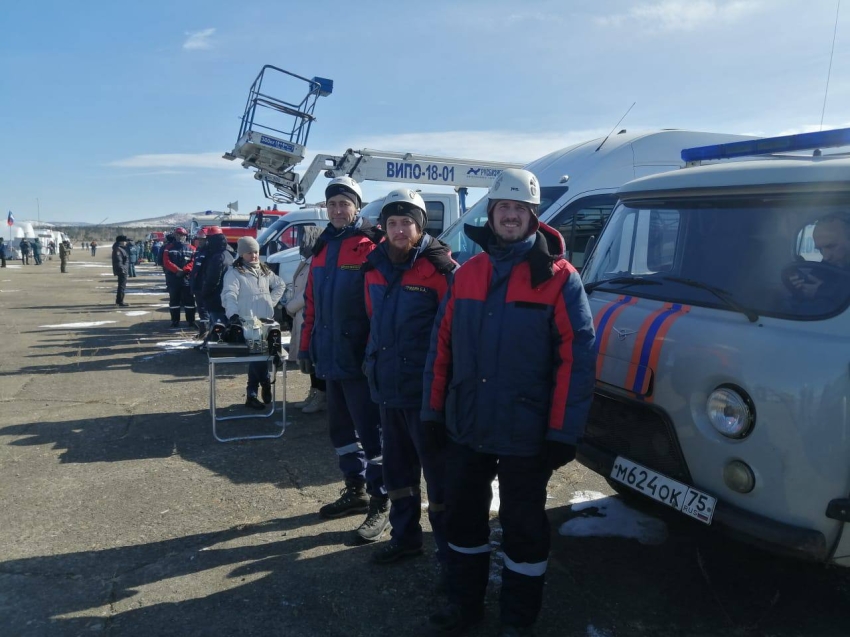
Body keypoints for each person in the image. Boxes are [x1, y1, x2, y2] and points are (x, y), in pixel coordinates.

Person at [422, 168, 597, 636]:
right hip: (468, 425)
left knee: (524, 529)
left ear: (534, 217)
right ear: (492, 214)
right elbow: (442, 348)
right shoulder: (468, 274)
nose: (511, 216)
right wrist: (432, 411)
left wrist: (563, 432)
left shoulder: (560, 279)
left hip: (528, 432)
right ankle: (465, 605)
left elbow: (576, 361)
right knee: (463, 520)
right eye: (504, 208)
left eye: (520, 209)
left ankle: (518, 619)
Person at [363, 188, 457, 566]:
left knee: (438, 477)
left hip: (426, 393)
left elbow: (454, 331)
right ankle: (405, 538)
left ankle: (449, 548)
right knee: (397, 473)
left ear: (420, 226)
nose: (399, 230)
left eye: (407, 223)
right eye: (392, 224)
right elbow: (374, 322)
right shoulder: (374, 266)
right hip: (388, 390)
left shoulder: (440, 269)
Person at [298, 176, 388, 542]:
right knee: (339, 430)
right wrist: (306, 346)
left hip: (359, 358)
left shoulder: (370, 247)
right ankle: (356, 489)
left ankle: (382, 501)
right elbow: (311, 303)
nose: (338, 209)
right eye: (332, 203)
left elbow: (381, 307)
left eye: (344, 203)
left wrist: (375, 353)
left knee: (372, 432)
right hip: (329, 356)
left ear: (357, 207)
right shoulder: (322, 247)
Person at [221, 237, 285, 409]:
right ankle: (258, 388)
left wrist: (270, 302)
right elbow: (229, 295)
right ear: (242, 254)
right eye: (250, 252)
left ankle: (255, 391)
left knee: (263, 358)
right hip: (248, 323)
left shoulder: (264, 270)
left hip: (266, 322)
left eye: (256, 252)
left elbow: (280, 285)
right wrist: (233, 315)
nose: (254, 255)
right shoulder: (234, 273)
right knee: (257, 358)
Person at [285, 226, 326, 414]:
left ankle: (321, 395)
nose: (301, 245)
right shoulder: (308, 260)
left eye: (304, 240)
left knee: (315, 359)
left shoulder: (316, 261)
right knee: (308, 359)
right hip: (302, 315)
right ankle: (314, 392)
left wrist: (290, 306)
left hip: (309, 314)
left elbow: (308, 291)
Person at [200, 226, 234, 332]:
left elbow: (213, 279)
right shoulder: (228, 254)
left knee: (217, 326)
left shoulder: (217, 257)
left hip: (217, 298)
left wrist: (205, 293)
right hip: (226, 296)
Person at [163, 227, 196, 328]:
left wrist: (185, 270)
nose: (180, 237)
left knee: (189, 301)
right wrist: (177, 270)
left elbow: (193, 261)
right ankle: (175, 320)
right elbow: (166, 261)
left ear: (186, 236)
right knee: (174, 301)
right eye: (177, 235)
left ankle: (191, 321)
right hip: (173, 279)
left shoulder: (192, 248)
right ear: (174, 236)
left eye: (182, 235)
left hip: (186, 279)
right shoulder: (168, 248)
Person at [190, 228, 210, 338]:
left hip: (203, 285)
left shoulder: (209, 253)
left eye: (203, 239)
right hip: (197, 285)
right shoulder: (198, 251)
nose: (200, 241)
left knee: (205, 310)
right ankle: (203, 331)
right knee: (201, 310)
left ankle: (205, 331)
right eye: (199, 239)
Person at [112, 235, 130, 307]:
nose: (126, 243)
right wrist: (122, 269)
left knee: (122, 286)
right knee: (121, 286)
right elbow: (118, 261)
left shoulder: (120, 249)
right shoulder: (118, 249)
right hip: (122, 270)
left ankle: (119, 300)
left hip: (123, 269)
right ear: (121, 242)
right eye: (125, 241)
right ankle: (120, 301)